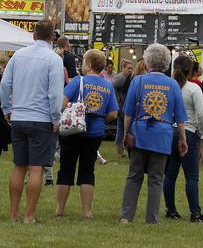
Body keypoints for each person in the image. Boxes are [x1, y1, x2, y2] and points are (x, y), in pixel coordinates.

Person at [0, 20, 64, 223]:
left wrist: (6, 109)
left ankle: (13, 214)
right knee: (37, 168)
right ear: (53, 38)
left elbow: (4, 84)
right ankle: (29, 216)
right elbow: (55, 94)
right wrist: (56, 118)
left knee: (19, 166)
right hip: (41, 119)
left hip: (18, 117)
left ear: (34, 35)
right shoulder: (54, 59)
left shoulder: (18, 55)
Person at [120, 43, 188, 224]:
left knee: (134, 175)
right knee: (157, 178)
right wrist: (183, 139)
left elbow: (128, 114)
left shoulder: (138, 81)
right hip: (162, 135)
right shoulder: (173, 84)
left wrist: (125, 135)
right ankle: (152, 218)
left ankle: (126, 216)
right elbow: (180, 118)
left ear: (147, 61)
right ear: (166, 63)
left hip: (140, 133)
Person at [55, 49, 118, 218]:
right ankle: (87, 211)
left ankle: (60, 209)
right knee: (87, 170)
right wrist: (100, 119)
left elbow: (62, 104)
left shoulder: (77, 81)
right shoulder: (108, 85)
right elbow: (113, 114)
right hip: (95, 132)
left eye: (83, 62)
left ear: (89, 64)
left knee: (66, 168)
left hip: (73, 131)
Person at [163, 55, 203, 223]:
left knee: (170, 175)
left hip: (170, 132)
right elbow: (202, 116)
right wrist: (201, 133)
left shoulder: (168, 87)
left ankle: (170, 210)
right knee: (191, 177)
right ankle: (195, 213)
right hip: (189, 132)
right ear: (191, 70)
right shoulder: (193, 89)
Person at [113, 59, 134, 158]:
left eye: (131, 68)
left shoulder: (127, 77)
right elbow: (111, 87)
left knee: (122, 129)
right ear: (123, 68)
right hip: (121, 108)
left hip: (123, 107)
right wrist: (117, 98)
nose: (130, 70)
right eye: (128, 68)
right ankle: (120, 151)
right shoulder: (121, 77)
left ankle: (122, 151)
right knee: (121, 129)